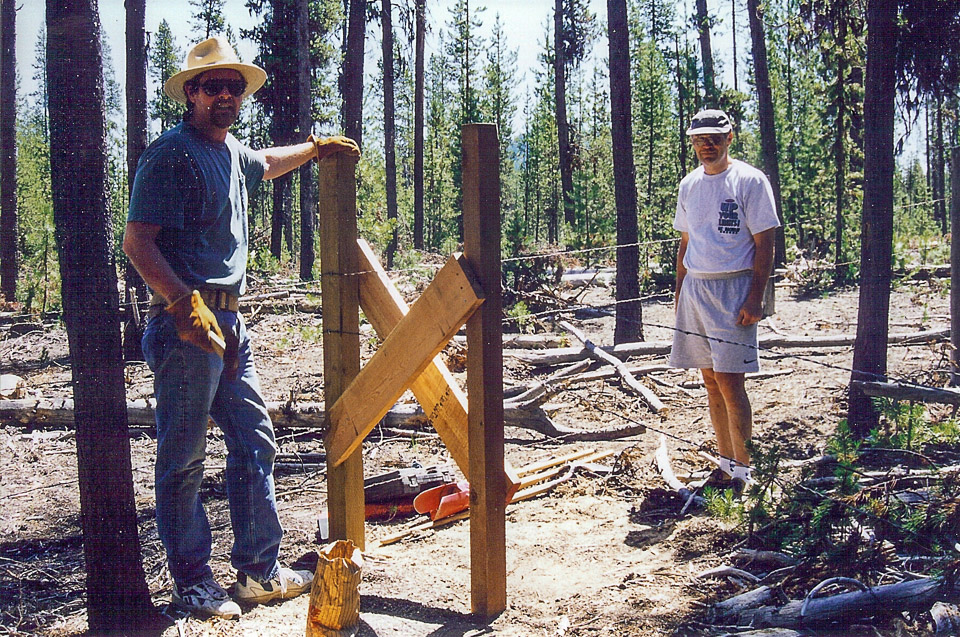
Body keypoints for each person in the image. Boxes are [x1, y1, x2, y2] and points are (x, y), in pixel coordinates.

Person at [123, 36, 359, 619]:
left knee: (255, 439)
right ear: (191, 94)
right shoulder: (170, 155)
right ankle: (193, 584)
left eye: (233, 86)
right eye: (211, 86)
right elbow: (137, 243)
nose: (223, 95)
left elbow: (267, 162)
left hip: (231, 322)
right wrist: (184, 306)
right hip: (186, 329)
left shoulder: (230, 152)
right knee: (183, 458)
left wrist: (315, 146)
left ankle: (258, 572)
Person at [668, 109, 780, 489]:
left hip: (734, 290)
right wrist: (681, 295)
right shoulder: (690, 186)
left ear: (730, 137)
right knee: (710, 381)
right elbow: (686, 245)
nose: (707, 145)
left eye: (714, 138)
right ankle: (726, 463)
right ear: (693, 142)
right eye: (700, 139)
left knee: (732, 383)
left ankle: (745, 473)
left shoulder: (750, 180)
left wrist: (755, 298)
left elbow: (765, 244)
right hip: (697, 290)